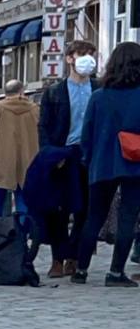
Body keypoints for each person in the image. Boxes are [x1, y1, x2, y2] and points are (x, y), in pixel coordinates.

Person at [73, 40, 140, 286]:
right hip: (135, 164)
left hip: (102, 163)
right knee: (128, 218)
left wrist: (87, 159)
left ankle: (81, 269)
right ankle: (115, 272)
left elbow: (86, 134)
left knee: (95, 216)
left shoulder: (99, 96)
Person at [38, 40, 99, 275]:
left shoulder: (98, 88)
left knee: (85, 209)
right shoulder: (54, 92)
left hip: (89, 156)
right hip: (63, 155)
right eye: (82, 54)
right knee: (59, 210)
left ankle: (74, 254)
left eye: (91, 55)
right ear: (70, 58)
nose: (87, 59)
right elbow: (44, 126)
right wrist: (51, 155)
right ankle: (57, 258)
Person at [0, 80, 43, 270]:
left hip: (3, 162)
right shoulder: (35, 110)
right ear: (22, 91)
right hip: (29, 163)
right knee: (23, 203)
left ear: (5, 92)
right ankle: (21, 238)